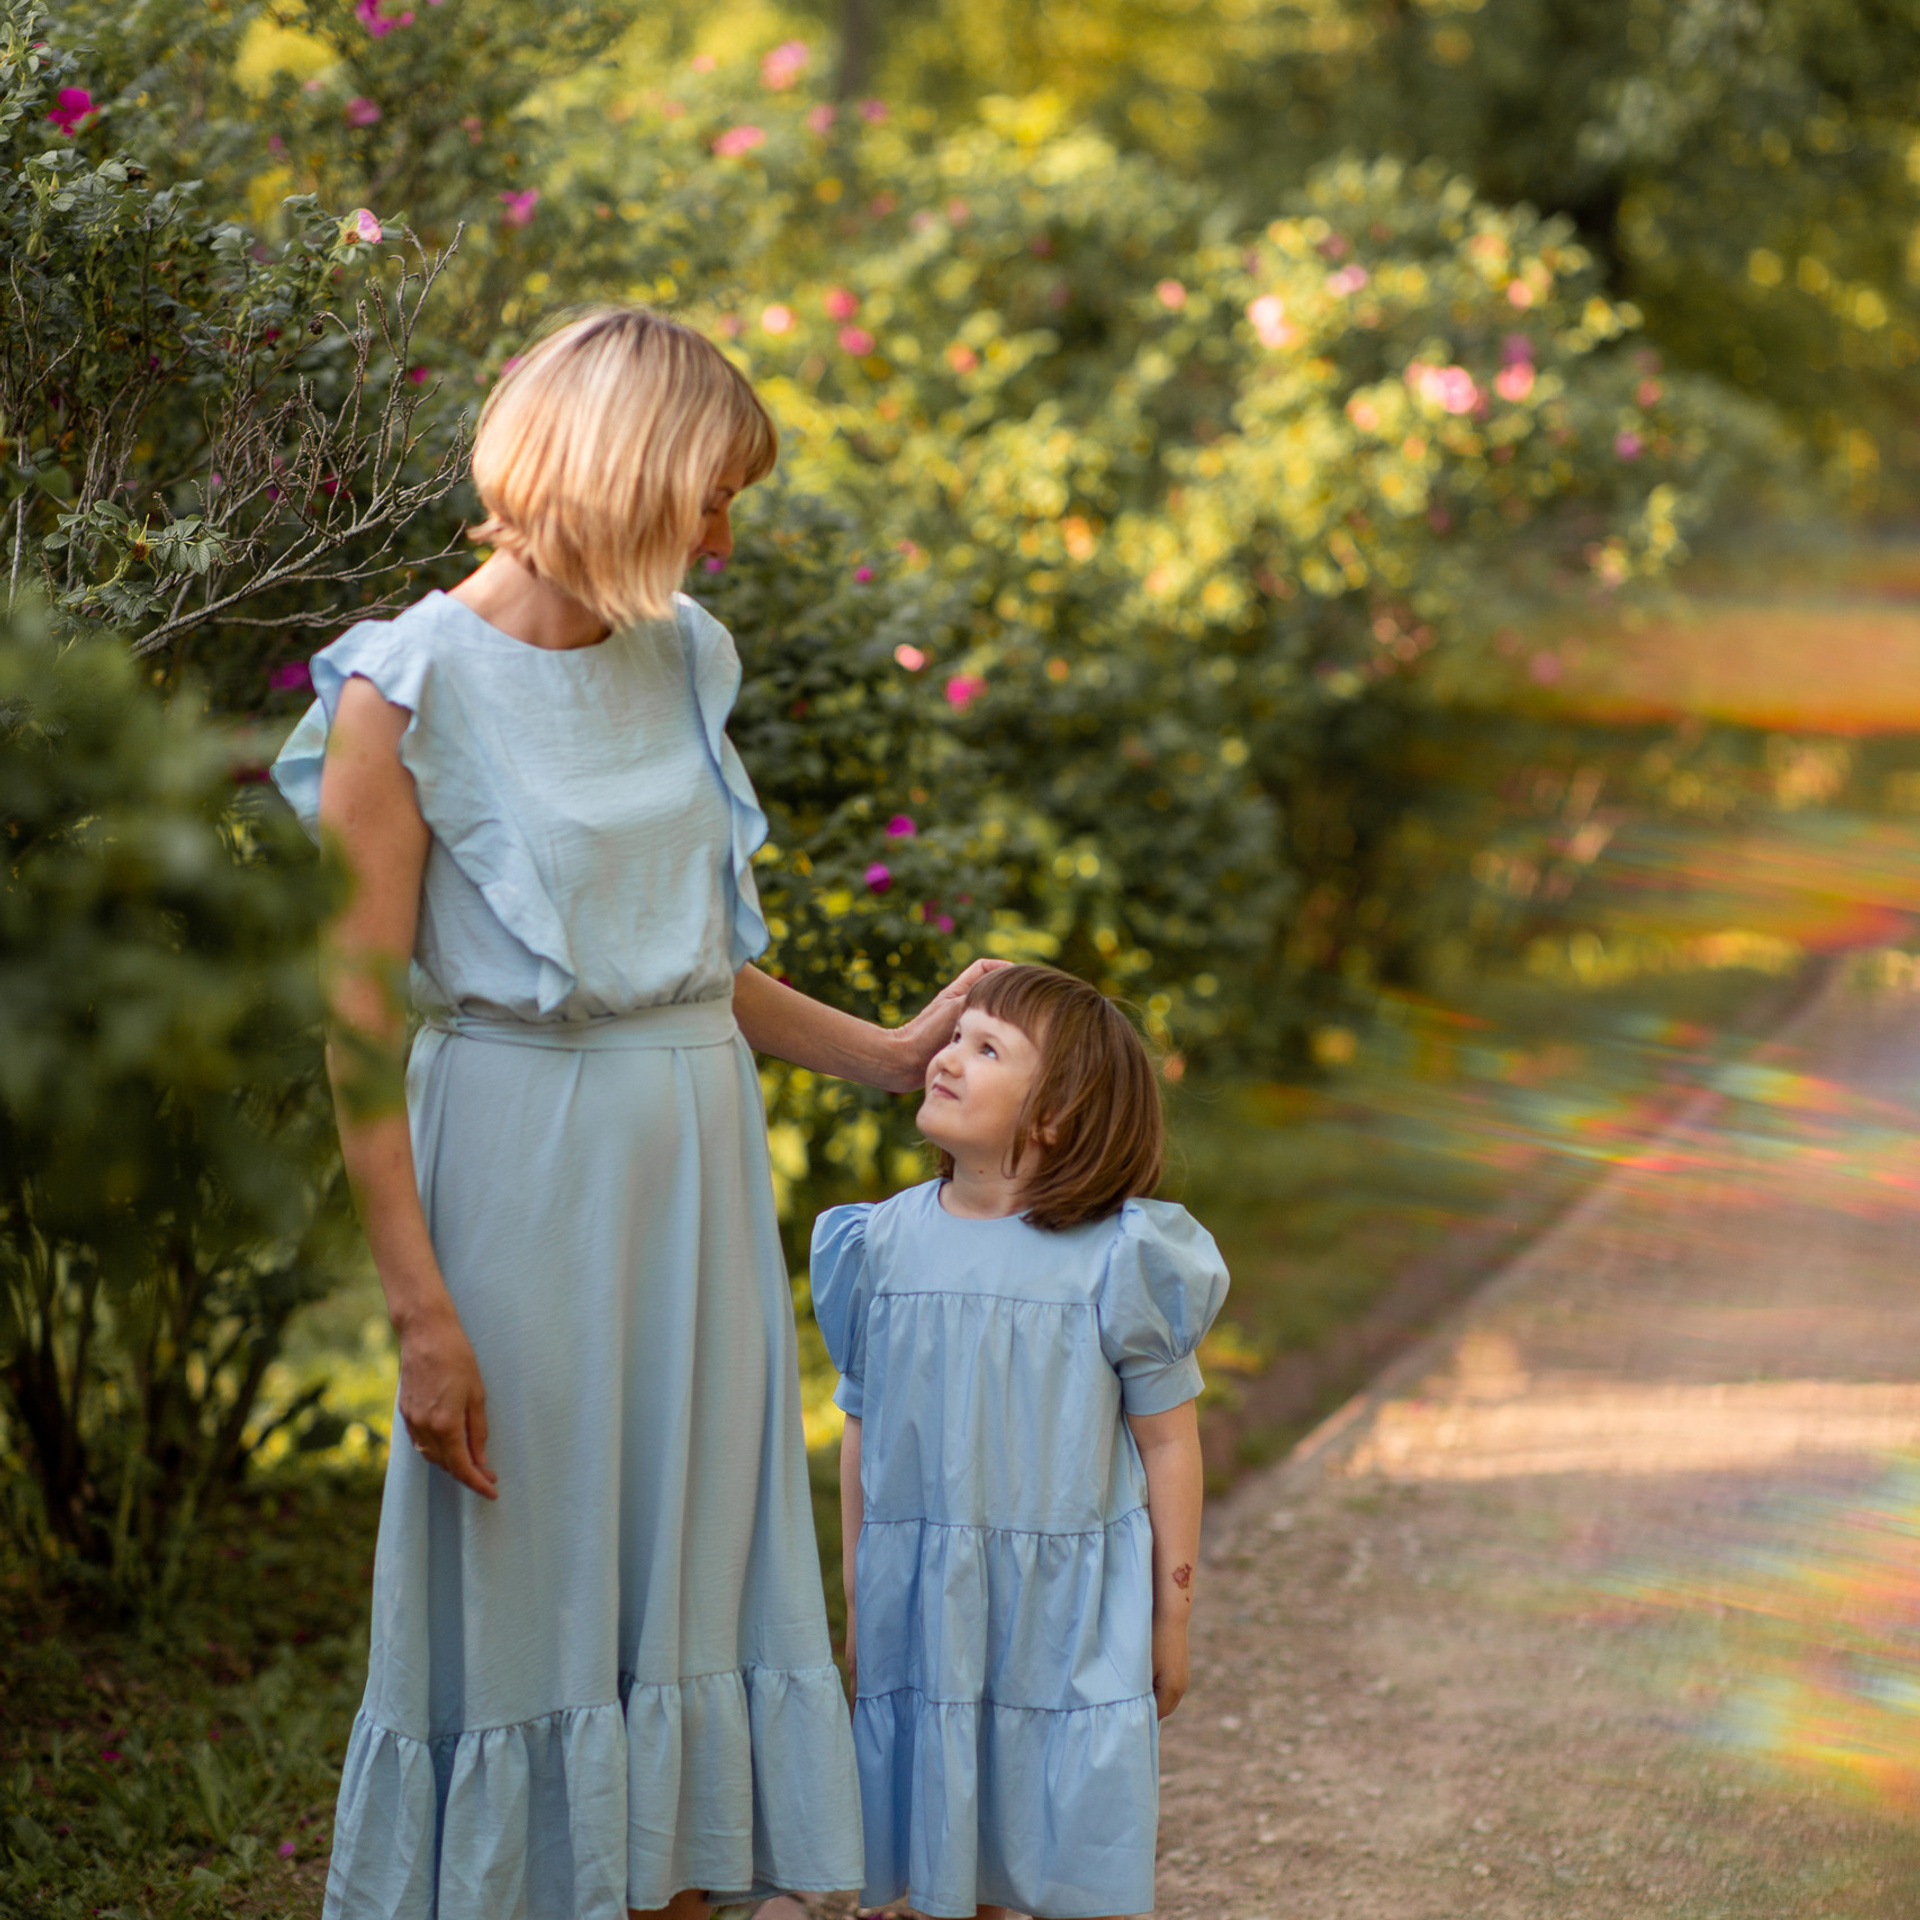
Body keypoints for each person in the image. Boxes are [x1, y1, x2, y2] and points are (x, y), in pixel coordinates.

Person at [271, 306, 1002, 1920]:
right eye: (708, 496)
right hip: (518, 1175)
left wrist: (890, 1054)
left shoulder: (686, 655)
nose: (726, 535)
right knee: (532, 1583)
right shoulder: (406, 691)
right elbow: (357, 1024)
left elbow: (689, 961)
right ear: (617, 478)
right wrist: (420, 1313)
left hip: (696, 1165)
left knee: (691, 1584)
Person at [811, 963, 1230, 1920]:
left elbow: (1168, 1445)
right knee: (927, 1837)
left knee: (1034, 1825)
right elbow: (860, 1435)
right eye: (955, 1039)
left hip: (1060, 1607)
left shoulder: (1122, 1258)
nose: (948, 1057)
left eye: (986, 1048)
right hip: (921, 1596)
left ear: (1056, 1116)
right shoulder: (878, 1244)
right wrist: (860, 1587)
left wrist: (1172, 1617)